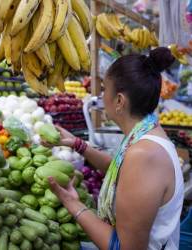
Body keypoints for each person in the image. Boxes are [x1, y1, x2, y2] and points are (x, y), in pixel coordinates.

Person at [46, 47, 184, 250]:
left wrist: (73, 204)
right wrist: (78, 144)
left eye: (104, 89)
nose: (101, 96)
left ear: (119, 101)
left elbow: (126, 248)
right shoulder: (145, 133)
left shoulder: (144, 153)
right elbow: (120, 170)